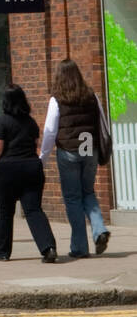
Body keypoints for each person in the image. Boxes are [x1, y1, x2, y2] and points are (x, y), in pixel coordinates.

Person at [39, 58, 111, 259]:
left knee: (72, 198)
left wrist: (43, 158)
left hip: (68, 150)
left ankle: (80, 246)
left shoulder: (57, 99)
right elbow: (101, 121)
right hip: (89, 146)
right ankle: (99, 229)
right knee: (88, 191)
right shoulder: (91, 95)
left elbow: (50, 130)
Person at [0, 84, 57, 262]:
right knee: (33, 210)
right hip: (32, 167)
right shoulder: (31, 122)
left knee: (5, 212)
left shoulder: (2, 121)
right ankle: (48, 247)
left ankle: (2, 252)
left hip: (8, 170)